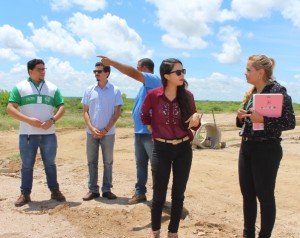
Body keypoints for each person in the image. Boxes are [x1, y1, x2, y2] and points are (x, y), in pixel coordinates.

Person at [140, 58, 201, 238]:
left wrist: (196, 122)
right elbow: (144, 115)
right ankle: (155, 230)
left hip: (183, 149)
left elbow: (194, 125)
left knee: (178, 194)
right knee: (159, 194)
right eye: (178, 72)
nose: (182, 75)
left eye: (183, 71)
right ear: (166, 76)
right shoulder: (153, 96)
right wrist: (153, 129)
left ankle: (173, 231)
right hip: (161, 149)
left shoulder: (187, 96)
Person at [236, 55, 296, 238]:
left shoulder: (278, 91)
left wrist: (263, 120)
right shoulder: (253, 93)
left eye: (248, 70)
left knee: (265, 195)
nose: (245, 73)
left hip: (267, 150)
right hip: (246, 147)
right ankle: (249, 235)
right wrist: (241, 117)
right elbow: (246, 124)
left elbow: (289, 122)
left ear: (260, 72)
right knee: (248, 195)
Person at [99, 56, 161, 204]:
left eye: (138, 67)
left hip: (149, 132)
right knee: (141, 164)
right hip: (139, 132)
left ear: (145, 68)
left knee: (156, 166)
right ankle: (140, 193)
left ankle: (159, 196)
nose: (137, 69)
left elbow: (132, 73)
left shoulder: (153, 79)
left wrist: (112, 63)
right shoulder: (145, 86)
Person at [6, 58, 66, 207]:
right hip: (27, 134)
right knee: (27, 165)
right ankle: (25, 194)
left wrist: (52, 120)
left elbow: (61, 107)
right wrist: (28, 120)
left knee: (50, 164)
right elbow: (10, 108)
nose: (43, 72)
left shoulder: (52, 88)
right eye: (40, 69)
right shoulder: (20, 87)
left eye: (44, 69)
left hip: (49, 134)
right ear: (30, 71)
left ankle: (54, 190)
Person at [82, 62, 123, 201]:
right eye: (95, 71)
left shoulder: (115, 90)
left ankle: (107, 190)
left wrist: (105, 129)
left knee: (108, 162)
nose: (96, 73)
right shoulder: (89, 90)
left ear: (107, 73)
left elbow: (117, 113)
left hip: (108, 133)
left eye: (99, 71)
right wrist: (92, 128)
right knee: (91, 161)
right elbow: (85, 112)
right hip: (91, 132)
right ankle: (93, 190)